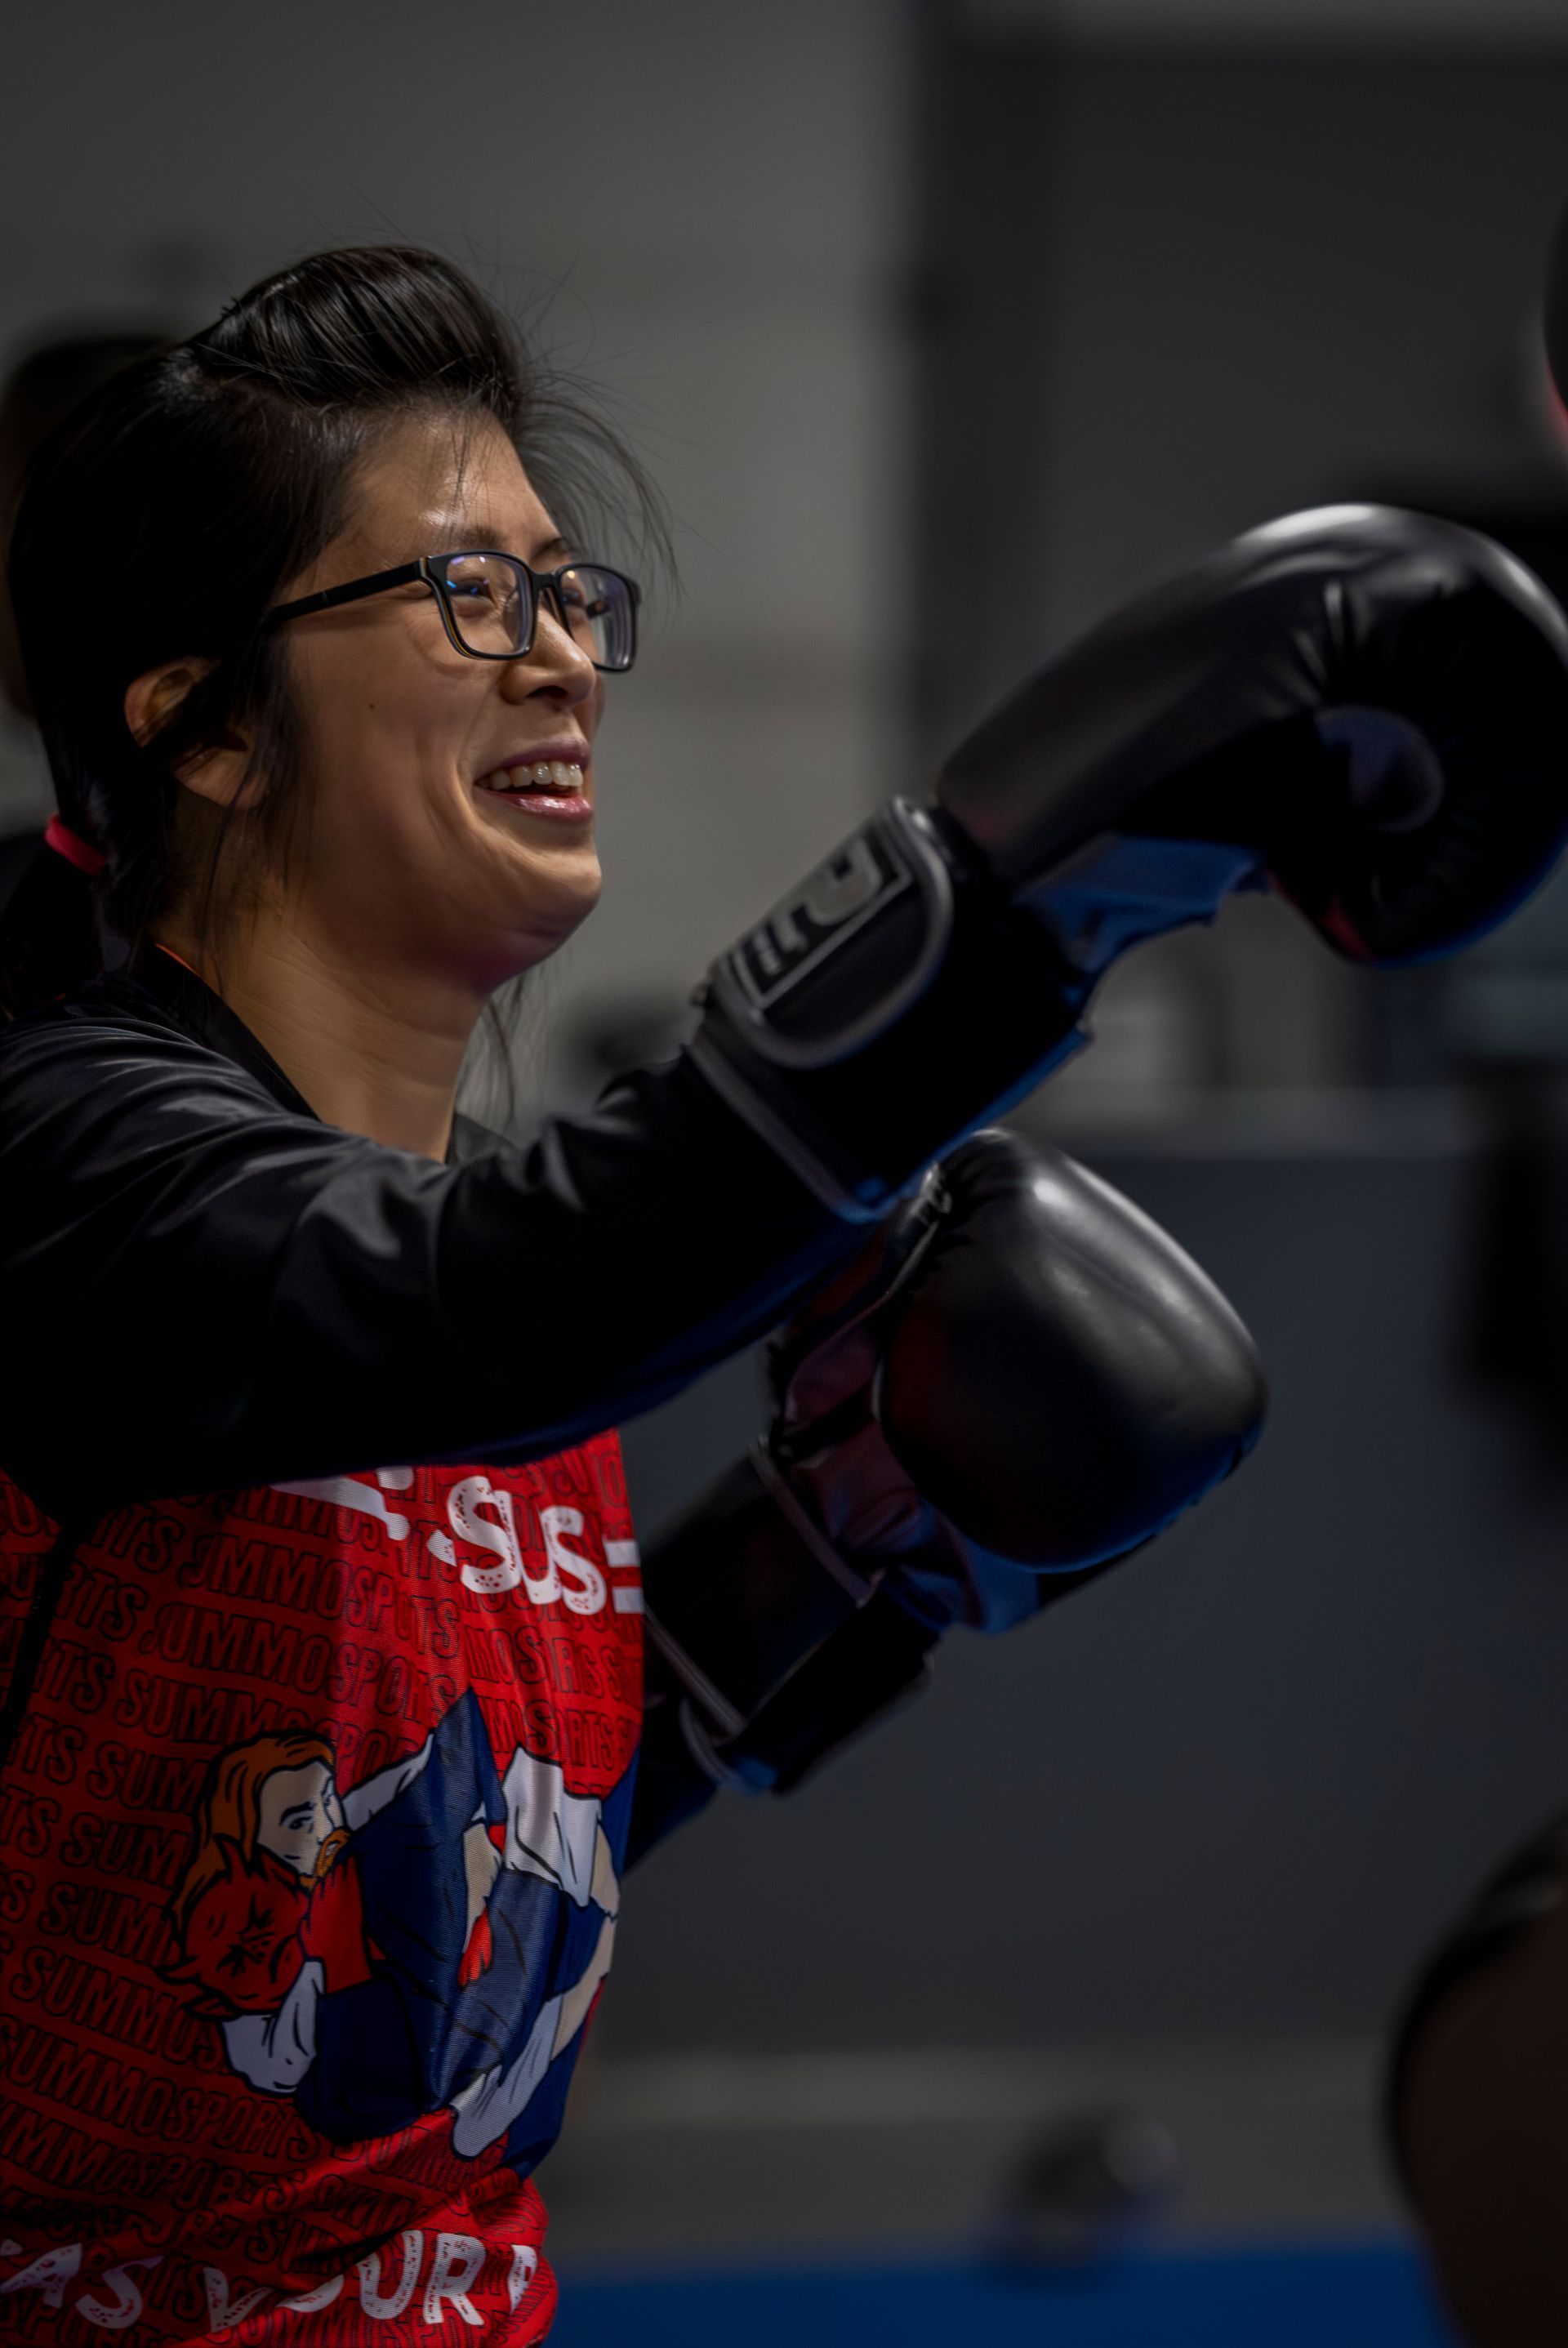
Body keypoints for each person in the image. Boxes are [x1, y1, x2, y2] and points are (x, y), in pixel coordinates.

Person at [0, 244, 1562, 2344]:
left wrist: (818, 1579)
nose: (561, 661)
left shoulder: (472, 1236)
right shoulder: (71, 1150)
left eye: (573, 596)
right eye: (473, 597)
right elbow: (493, 1303)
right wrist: (1054, 878)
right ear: (202, 726)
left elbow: (426, 1870)